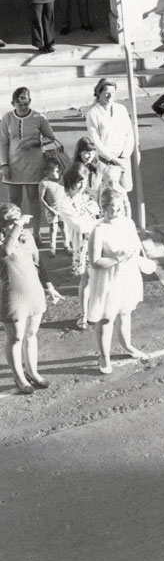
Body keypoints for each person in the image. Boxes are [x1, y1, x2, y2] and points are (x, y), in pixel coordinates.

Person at [0, 203, 62, 394]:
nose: (18, 223)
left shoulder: (26, 235)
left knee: (31, 334)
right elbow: (6, 251)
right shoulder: (3, 239)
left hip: (33, 291)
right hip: (12, 293)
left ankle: (33, 372)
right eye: (11, 220)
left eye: (19, 218)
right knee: (16, 337)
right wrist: (18, 226)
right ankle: (19, 377)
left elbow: (37, 262)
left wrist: (49, 286)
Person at [87, 188, 147, 374]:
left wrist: (137, 257)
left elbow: (136, 246)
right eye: (114, 207)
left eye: (121, 206)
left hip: (127, 275)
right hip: (107, 278)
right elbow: (95, 262)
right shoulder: (98, 230)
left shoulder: (128, 223)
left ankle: (127, 346)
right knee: (106, 318)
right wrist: (118, 259)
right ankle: (104, 357)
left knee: (125, 313)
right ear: (104, 207)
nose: (118, 210)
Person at [1, 87, 56, 242]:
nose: (24, 107)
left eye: (26, 104)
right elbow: (3, 143)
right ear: (13, 104)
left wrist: (35, 142)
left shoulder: (40, 117)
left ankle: (37, 233)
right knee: (14, 202)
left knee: (34, 199)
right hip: (12, 166)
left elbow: (51, 138)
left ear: (30, 101)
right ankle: (13, 235)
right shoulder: (6, 118)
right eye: (20, 105)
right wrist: (4, 164)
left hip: (34, 165)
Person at [54, 163, 100, 330]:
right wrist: (98, 223)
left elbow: (99, 213)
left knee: (102, 278)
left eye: (84, 181)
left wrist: (96, 222)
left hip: (100, 242)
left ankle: (100, 311)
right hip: (84, 245)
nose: (82, 185)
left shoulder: (89, 195)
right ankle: (84, 314)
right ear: (70, 182)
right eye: (78, 182)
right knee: (86, 279)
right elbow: (80, 226)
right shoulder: (64, 202)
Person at [85, 79, 135, 195]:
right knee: (109, 197)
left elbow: (129, 133)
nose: (110, 96)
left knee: (124, 196)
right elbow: (96, 141)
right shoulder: (93, 113)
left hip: (123, 160)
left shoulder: (121, 109)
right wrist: (113, 159)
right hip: (106, 163)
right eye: (106, 93)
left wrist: (124, 156)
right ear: (99, 93)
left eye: (112, 92)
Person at [38, 159, 64, 256]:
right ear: (47, 172)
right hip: (51, 210)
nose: (59, 172)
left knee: (64, 227)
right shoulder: (44, 183)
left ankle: (66, 245)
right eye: (56, 171)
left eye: (59, 170)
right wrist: (51, 210)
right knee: (53, 228)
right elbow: (41, 198)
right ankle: (52, 247)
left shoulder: (61, 181)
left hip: (62, 209)